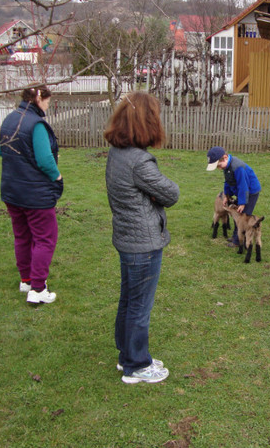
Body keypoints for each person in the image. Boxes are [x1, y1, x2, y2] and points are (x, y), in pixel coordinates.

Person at [104, 91, 179, 384]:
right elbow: (171, 194)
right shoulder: (139, 162)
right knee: (139, 306)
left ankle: (127, 356)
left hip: (126, 238)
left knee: (129, 300)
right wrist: (151, 193)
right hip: (143, 244)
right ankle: (137, 365)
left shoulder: (117, 153)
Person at [0, 84, 63, 304]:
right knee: (45, 238)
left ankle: (25, 280)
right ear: (39, 99)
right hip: (35, 195)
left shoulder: (10, 119)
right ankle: (37, 289)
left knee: (22, 236)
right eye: (47, 101)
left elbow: (1, 150)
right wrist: (57, 177)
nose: (48, 105)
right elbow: (45, 160)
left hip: (12, 191)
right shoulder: (36, 125)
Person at [206, 146, 261, 248]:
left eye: (219, 165)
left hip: (250, 192)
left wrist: (242, 203)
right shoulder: (227, 167)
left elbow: (243, 186)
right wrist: (226, 196)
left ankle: (239, 241)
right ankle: (236, 236)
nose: (219, 168)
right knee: (236, 215)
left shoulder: (237, 167)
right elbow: (228, 182)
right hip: (242, 191)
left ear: (225, 157)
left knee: (243, 216)